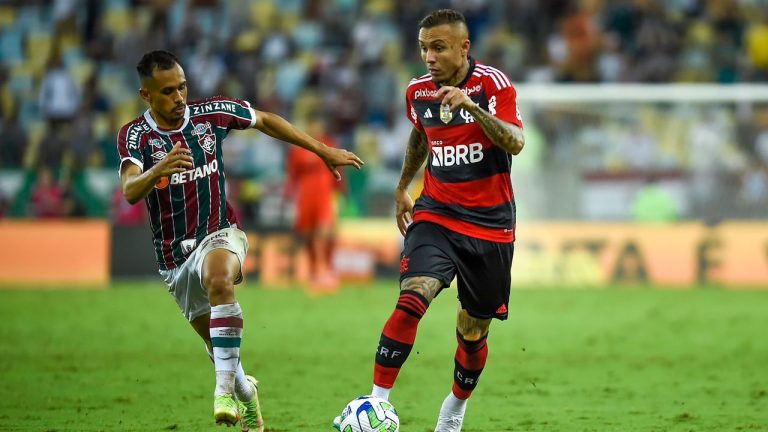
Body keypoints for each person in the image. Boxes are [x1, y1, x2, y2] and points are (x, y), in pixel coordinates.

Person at [116, 50, 363, 430]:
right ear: (146, 95)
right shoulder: (136, 136)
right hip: (174, 258)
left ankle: (222, 393)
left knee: (219, 279)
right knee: (219, 347)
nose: (179, 97)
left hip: (220, 232)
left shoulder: (210, 115)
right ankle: (245, 392)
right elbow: (130, 190)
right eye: (167, 91)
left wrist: (322, 149)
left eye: (182, 87)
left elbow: (264, 119)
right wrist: (158, 169)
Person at [334, 9, 524, 432]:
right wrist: (404, 185)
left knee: (472, 333)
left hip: (490, 226)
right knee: (412, 296)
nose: (429, 57)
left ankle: (454, 409)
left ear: (464, 47)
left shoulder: (492, 85)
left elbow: (515, 141)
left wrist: (472, 108)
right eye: (423, 48)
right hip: (436, 212)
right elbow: (421, 133)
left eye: (438, 48)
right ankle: (376, 403)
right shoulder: (418, 91)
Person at [284, 113, 344, 291]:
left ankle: (326, 271)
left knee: (325, 234)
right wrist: (288, 199)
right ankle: (314, 273)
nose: (315, 128)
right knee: (309, 236)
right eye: (312, 125)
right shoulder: (298, 150)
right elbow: (292, 176)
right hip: (306, 197)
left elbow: (340, 173)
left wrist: (340, 196)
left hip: (325, 196)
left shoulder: (330, 146)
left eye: (318, 125)